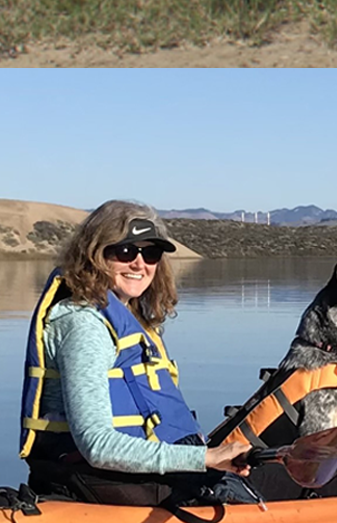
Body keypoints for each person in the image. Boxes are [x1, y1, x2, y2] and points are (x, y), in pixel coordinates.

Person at [19, 202, 253, 506]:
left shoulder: (128, 319)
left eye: (151, 253)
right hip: (99, 483)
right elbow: (97, 445)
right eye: (126, 252)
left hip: (139, 479)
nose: (140, 264)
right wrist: (205, 457)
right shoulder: (83, 324)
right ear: (95, 254)